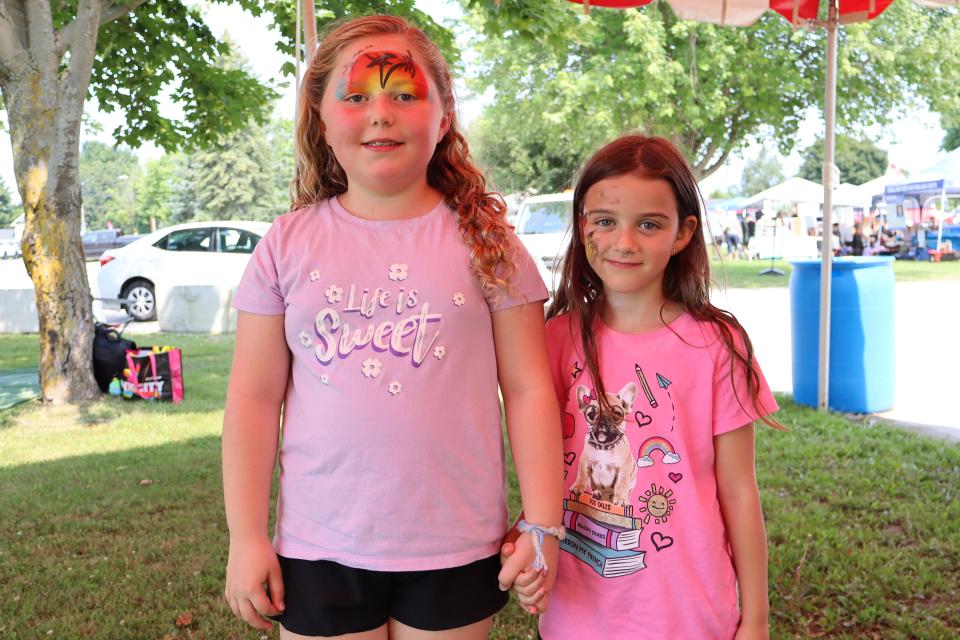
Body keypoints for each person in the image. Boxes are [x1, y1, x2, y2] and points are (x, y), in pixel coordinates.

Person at [222, 15, 563, 640]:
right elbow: (252, 397)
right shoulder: (285, 244)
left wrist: (543, 522)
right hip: (319, 545)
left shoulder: (490, 244)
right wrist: (246, 537)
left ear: (444, 116)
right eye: (356, 97)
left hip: (457, 545)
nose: (381, 113)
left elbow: (529, 389)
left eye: (405, 94)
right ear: (322, 120)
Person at [502, 135, 782, 639]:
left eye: (648, 224)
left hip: (688, 616)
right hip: (575, 616)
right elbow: (544, 468)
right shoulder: (554, 338)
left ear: (682, 233)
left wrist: (756, 619)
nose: (624, 242)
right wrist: (532, 552)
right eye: (605, 221)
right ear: (582, 225)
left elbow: (740, 492)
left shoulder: (717, 345)